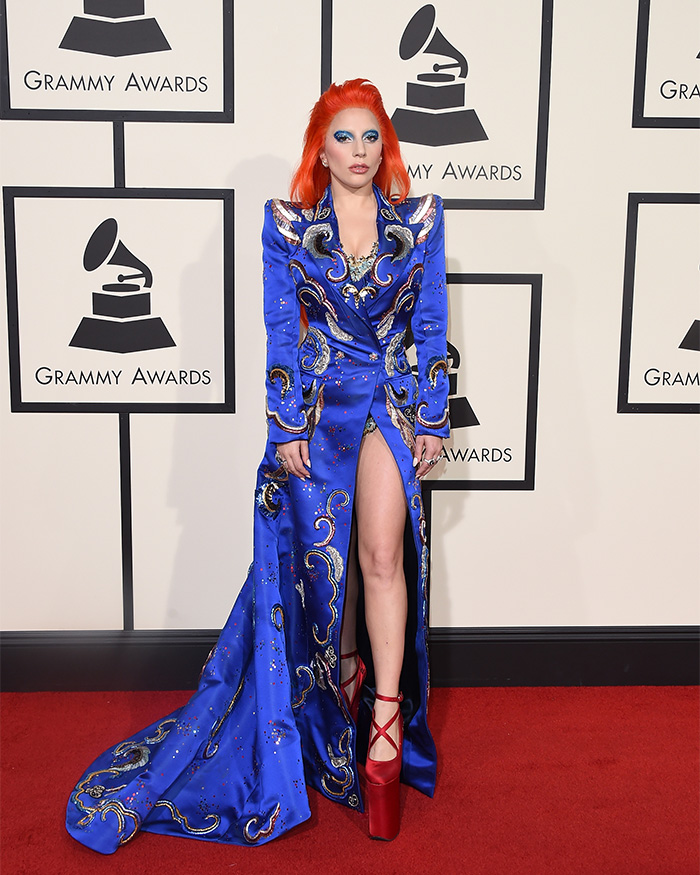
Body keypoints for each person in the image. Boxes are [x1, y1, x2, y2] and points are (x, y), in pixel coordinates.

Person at [65, 78, 449, 852]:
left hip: (389, 403)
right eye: (343, 137)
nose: (359, 151)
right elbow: (281, 326)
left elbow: (432, 318)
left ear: (386, 146)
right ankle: (333, 678)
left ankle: (381, 720)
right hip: (317, 410)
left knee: (379, 553)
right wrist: (284, 427)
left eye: (371, 137)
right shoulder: (287, 228)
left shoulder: (421, 222)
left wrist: (432, 415)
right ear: (320, 146)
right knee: (317, 571)